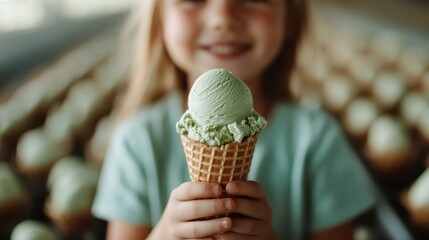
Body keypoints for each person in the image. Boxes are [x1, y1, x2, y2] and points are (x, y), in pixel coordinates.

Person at [92, 0, 376, 239]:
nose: (223, 17)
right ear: (160, 20)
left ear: (289, 17)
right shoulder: (136, 142)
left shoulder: (319, 140)